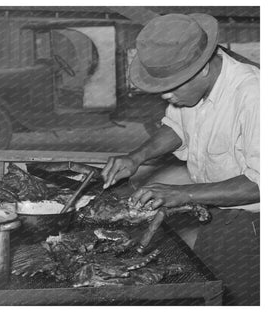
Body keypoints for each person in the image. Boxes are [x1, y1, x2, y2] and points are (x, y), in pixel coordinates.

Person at [101, 13, 259, 305]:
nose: (166, 96)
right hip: (217, 217)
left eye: (173, 87)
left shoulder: (254, 95)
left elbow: (260, 184)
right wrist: (136, 157)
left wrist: (182, 193)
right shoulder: (192, 91)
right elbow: (176, 128)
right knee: (207, 296)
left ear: (202, 70)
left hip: (254, 231)